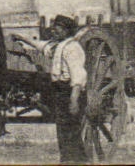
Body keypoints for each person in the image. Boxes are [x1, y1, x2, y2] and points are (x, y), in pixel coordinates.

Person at [44, 15, 89, 164]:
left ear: (66, 30)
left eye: (58, 27)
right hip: (61, 92)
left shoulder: (73, 48)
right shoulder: (58, 46)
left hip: (69, 93)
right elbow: (42, 46)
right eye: (54, 27)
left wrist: (74, 100)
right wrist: (23, 39)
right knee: (63, 132)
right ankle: (67, 160)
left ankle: (76, 161)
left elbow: (78, 76)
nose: (53, 30)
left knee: (71, 132)